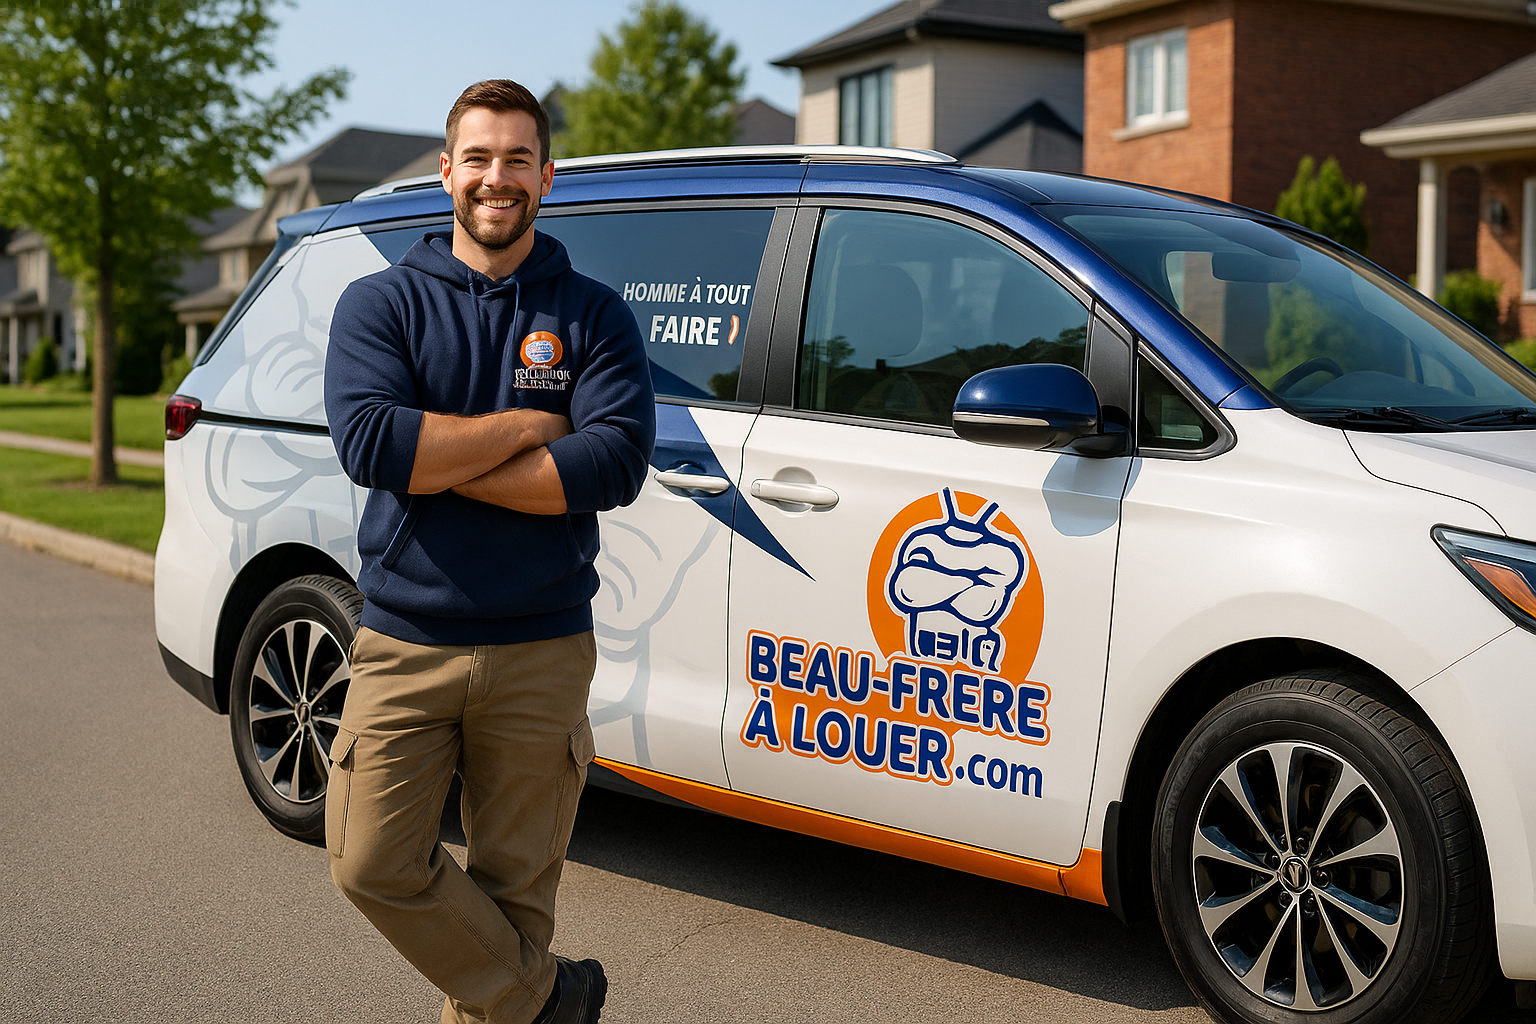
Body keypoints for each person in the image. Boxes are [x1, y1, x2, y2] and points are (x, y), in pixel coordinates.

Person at [322, 79, 655, 1024]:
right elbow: (373, 447)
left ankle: (524, 993)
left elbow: (609, 465)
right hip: (403, 640)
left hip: (542, 647)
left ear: (546, 177)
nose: (495, 177)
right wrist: (525, 425)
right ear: (446, 172)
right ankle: (554, 1000)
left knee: (512, 901)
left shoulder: (593, 314)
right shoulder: (380, 303)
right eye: (478, 157)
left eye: (517, 159)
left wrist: (437, 459)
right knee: (369, 860)